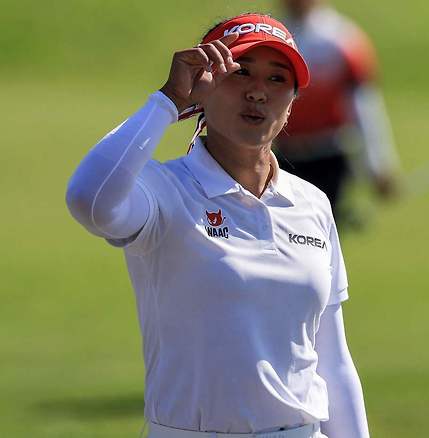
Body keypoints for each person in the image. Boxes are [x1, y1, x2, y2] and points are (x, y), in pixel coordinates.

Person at [65, 13, 370, 438]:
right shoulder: (163, 190)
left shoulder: (312, 203)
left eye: (277, 79)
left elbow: (333, 361)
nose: (258, 92)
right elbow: (88, 199)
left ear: (293, 100)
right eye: (240, 73)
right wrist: (167, 102)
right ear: (203, 87)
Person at [274, 0, 400, 223]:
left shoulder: (343, 40)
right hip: (279, 157)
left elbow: (364, 109)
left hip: (328, 158)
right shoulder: (270, 36)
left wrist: (378, 165)